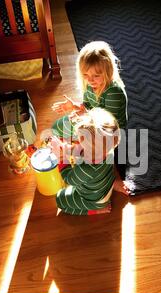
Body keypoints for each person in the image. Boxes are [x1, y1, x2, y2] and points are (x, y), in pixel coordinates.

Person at [51, 41, 129, 194]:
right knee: (57, 127)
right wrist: (76, 107)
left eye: (96, 75)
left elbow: (107, 125)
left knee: (97, 151)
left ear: (108, 72)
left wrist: (83, 118)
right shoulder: (90, 85)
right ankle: (74, 149)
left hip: (109, 132)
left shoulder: (113, 93)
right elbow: (89, 104)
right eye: (85, 75)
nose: (90, 79)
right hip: (92, 121)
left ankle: (112, 180)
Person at [49, 108, 120, 215]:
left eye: (80, 140)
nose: (77, 142)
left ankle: (95, 211)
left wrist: (61, 157)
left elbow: (69, 179)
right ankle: (112, 185)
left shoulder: (85, 169)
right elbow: (82, 149)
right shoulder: (108, 150)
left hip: (94, 201)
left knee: (59, 199)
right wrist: (66, 148)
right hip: (105, 183)